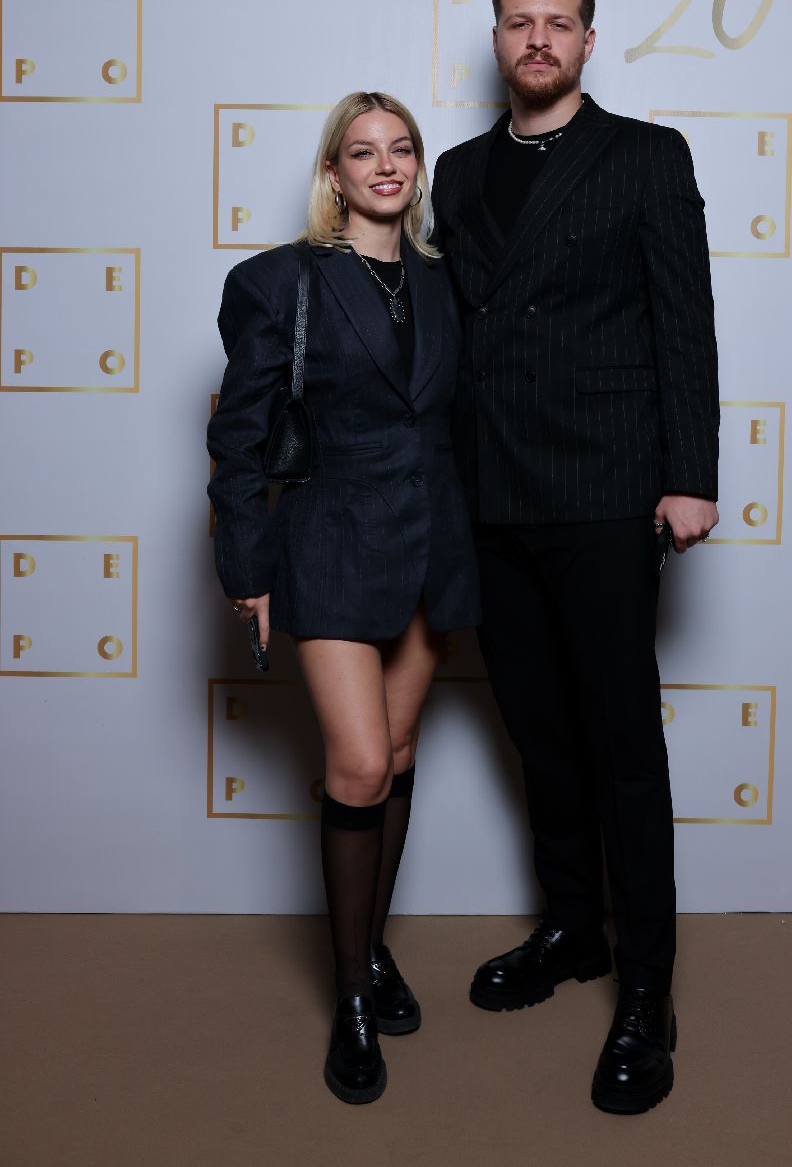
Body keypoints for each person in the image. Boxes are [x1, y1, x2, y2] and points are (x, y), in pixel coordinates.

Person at [431, 0, 719, 1115]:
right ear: (497, 39)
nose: (537, 39)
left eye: (558, 22)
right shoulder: (456, 170)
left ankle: (648, 991)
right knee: (537, 734)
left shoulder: (646, 155)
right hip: (490, 490)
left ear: (588, 41)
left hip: (605, 489)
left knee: (620, 746)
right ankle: (571, 927)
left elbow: (683, 322)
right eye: (519, 22)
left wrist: (688, 478)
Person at [207, 91, 479, 1105]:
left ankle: (368, 950)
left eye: (401, 148)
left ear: (418, 166)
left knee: (397, 756)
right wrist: (247, 570)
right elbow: (237, 438)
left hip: (434, 543)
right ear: (334, 173)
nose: (385, 165)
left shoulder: (449, 281)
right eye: (362, 152)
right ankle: (352, 999)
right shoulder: (278, 280)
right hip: (329, 542)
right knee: (358, 765)